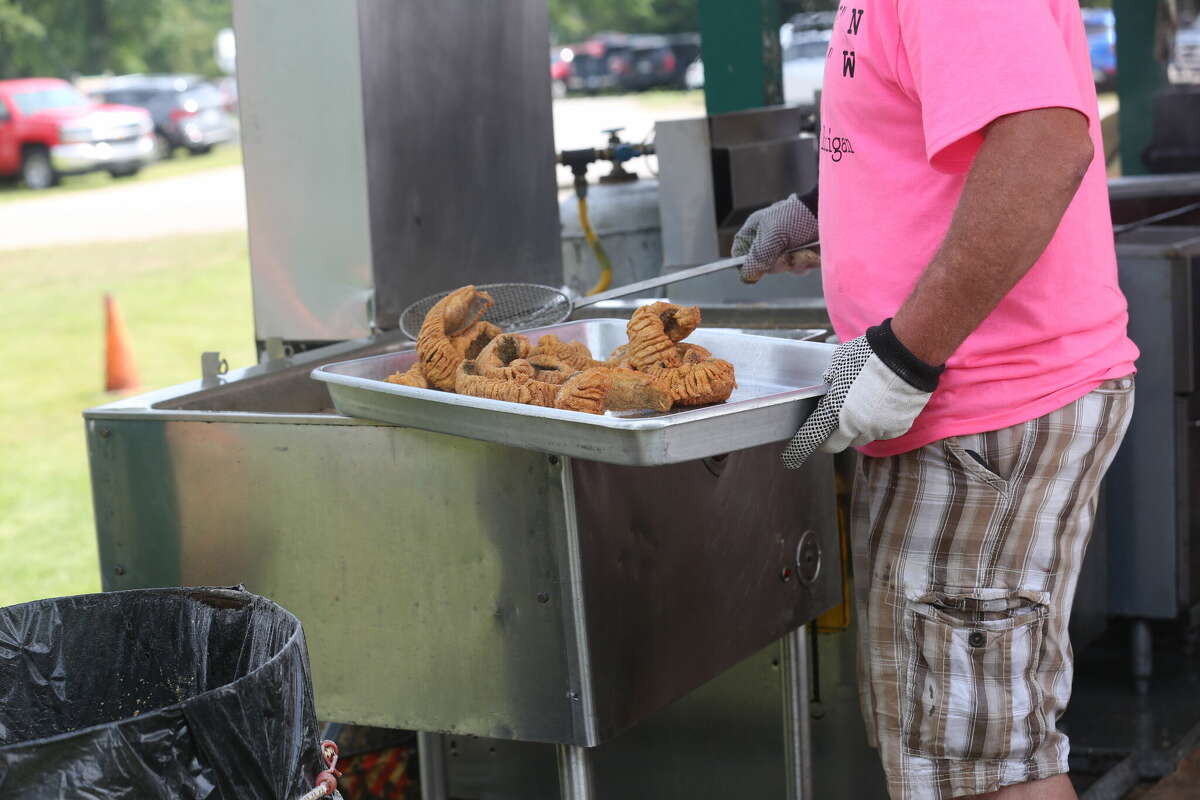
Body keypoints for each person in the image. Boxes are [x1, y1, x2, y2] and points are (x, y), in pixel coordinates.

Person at [732, 2, 1137, 799]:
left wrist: (903, 358)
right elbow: (944, 127)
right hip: (963, 409)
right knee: (950, 749)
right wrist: (827, 208)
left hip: (987, 407)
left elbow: (1043, 146)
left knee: (979, 766)